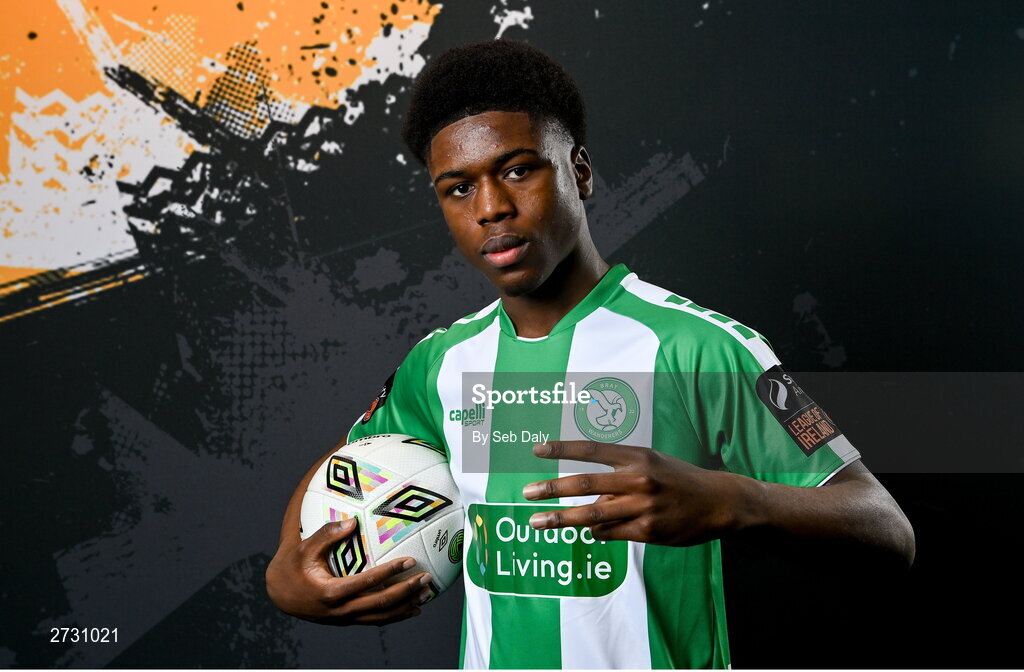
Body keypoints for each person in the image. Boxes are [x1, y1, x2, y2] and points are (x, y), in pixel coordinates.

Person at [266, 40, 915, 669]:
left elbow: (887, 530)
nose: (491, 207)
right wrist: (282, 574)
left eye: (518, 169)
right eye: (458, 188)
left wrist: (734, 500)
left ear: (579, 170)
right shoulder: (439, 364)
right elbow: (345, 464)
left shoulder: (703, 347)